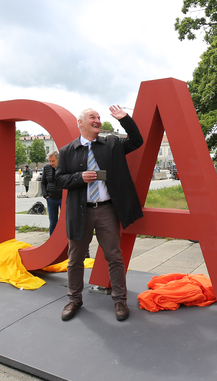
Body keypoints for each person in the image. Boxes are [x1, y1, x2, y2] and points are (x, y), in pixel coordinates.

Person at [56, 105, 143, 322]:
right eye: (92, 117)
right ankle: (74, 299)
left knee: (114, 256)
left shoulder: (111, 143)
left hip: (106, 210)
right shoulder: (68, 150)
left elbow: (136, 141)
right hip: (79, 212)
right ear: (80, 123)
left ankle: (120, 300)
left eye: (99, 117)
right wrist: (79, 178)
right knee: (75, 259)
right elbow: (58, 180)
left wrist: (125, 119)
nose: (97, 120)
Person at [42, 151, 63, 236]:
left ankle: (64, 239)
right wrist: (45, 195)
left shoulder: (63, 167)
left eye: (53, 161)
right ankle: (52, 238)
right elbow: (43, 182)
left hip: (62, 197)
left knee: (65, 220)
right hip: (51, 198)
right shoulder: (46, 168)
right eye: (49, 161)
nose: (51, 163)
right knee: (53, 221)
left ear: (58, 159)